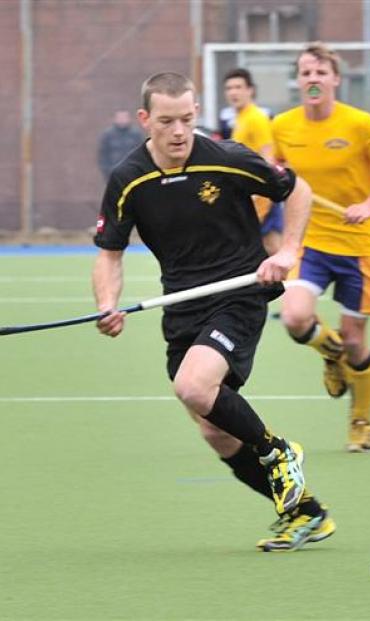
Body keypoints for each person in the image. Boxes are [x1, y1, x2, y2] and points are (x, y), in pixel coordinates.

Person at [92, 72, 334, 552]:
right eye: (166, 121)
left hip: (240, 293)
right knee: (212, 427)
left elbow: (297, 189)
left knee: (192, 385)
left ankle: (277, 450)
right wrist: (107, 305)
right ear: (146, 120)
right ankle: (306, 513)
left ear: (196, 113)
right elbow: (109, 254)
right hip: (182, 305)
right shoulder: (129, 178)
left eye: (187, 118)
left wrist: (288, 252)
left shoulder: (224, 157)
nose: (179, 131)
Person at [272, 43, 370, 452]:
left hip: (358, 245)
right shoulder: (283, 126)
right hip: (310, 241)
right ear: (298, 81)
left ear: (335, 79)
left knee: (355, 341)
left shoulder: (360, 124)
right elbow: (273, 172)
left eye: (320, 72)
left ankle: (361, 420)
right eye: (305, 72)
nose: (312, 78)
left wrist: (369, 204)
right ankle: (330, 354)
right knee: (295, 317)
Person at [223, 67, 284, 255]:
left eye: (238, 87)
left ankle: (291, 284)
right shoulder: (241, 119)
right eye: (229, 88)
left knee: (273, 247)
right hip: (247, 195)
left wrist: (259, 194)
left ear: (250, 90)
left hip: (261, 195)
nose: (233, 92)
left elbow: (268, 156)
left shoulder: (256, 118)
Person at [97, 110, 143, 181]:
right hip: (113, 171)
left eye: (124, 117)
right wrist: (106, 170)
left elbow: (141, 152)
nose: (122, 120)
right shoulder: (108, 135)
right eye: (120, 117)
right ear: (115, 119)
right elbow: (103, 154)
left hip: (132, 172)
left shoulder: (136, 134)